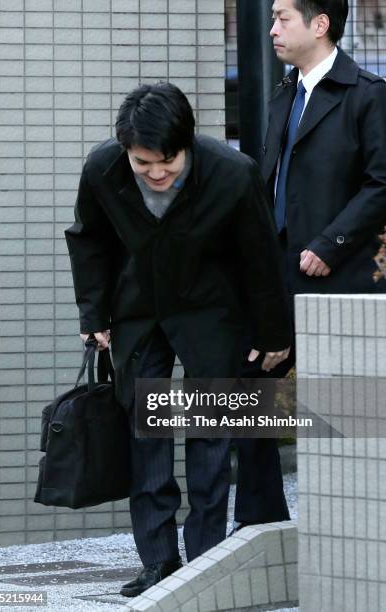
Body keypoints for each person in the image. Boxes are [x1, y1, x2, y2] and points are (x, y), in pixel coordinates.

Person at [65, 82, 292, 597]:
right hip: (139, 314)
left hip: (213, 315)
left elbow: (260, 258)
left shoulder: (232, 173)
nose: (156, 174)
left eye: (166, 162)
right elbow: (89, 240)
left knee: (211, 439)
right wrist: (93, 313)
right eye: (143, 164)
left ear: (187, 142)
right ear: (125, 149)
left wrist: (274, 333)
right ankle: (159, 563)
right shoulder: (103, 168)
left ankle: (205, 562)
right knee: (147, 436)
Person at [233, 0, 386, 529]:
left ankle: (351, 525)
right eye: (272, 19)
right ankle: (259, 522)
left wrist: (331, 242)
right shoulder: (284, 96)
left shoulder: (366, 96)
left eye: (282, 18)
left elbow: (382, 183)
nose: (272, 29)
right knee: (250, 389)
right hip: (274, 274)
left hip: (337, 278)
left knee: (343, 405)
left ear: (320, 25)